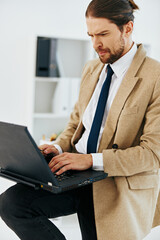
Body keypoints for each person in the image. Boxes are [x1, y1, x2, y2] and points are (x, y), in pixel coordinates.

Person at [0, 0, 160, 239]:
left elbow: (153, 154)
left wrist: (89, 160)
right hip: (77, 175)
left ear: (128, 28)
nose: (96, 44)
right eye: (91, 35)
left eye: (103, 34)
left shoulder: (154, 76)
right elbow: (76, 124)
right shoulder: (92, 68)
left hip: (114, 182)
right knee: (12, 203)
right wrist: (56, 147)